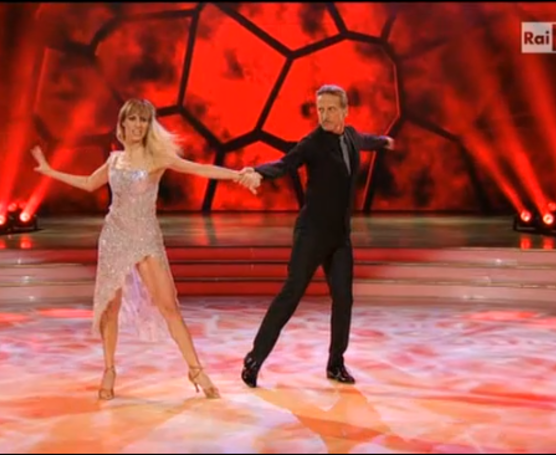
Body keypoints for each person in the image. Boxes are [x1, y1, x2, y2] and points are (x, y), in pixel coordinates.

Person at [30, 98, 260, 400]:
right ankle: (109, 369)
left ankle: (195, 370)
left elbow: (200, 169)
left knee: (169, 307)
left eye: (144, 120)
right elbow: (88, 183)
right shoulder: (114, 160)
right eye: (133, 119)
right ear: (122, 124)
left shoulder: (157, 158)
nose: (138, 125)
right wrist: (49, 171)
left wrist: (237, 174)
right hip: (114, 237)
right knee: (110, 309)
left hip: (146, 238)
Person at [239, 84, 394, 388]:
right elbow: (286, 163)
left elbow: (366, 140)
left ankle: (336, 364)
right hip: (311, 234)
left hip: (339, 237)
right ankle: (254, 359)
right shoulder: (312, 143)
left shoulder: (351, 136)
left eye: (331, 109)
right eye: (320, 109)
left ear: (345, 111)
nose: (324, 115)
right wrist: (258, 172)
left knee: (344, 299)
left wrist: (384, 141)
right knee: (291, 295)